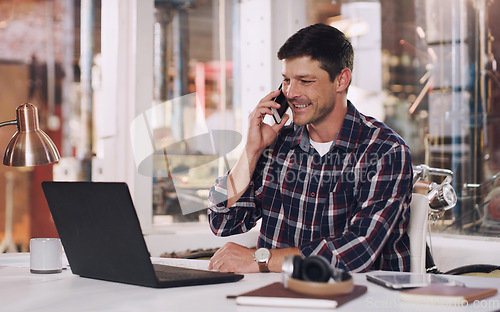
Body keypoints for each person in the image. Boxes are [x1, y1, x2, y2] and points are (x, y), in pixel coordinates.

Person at [207, 23, 413, 274]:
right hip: (280, 295)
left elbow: (357, 251)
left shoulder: (385, 152)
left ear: (341, 80)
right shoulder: (277, 144)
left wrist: (259, 259)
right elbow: (221, 220)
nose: (291, 93)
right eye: (286, 80)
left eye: (305, 81)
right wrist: (251, 152)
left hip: (360, 299)